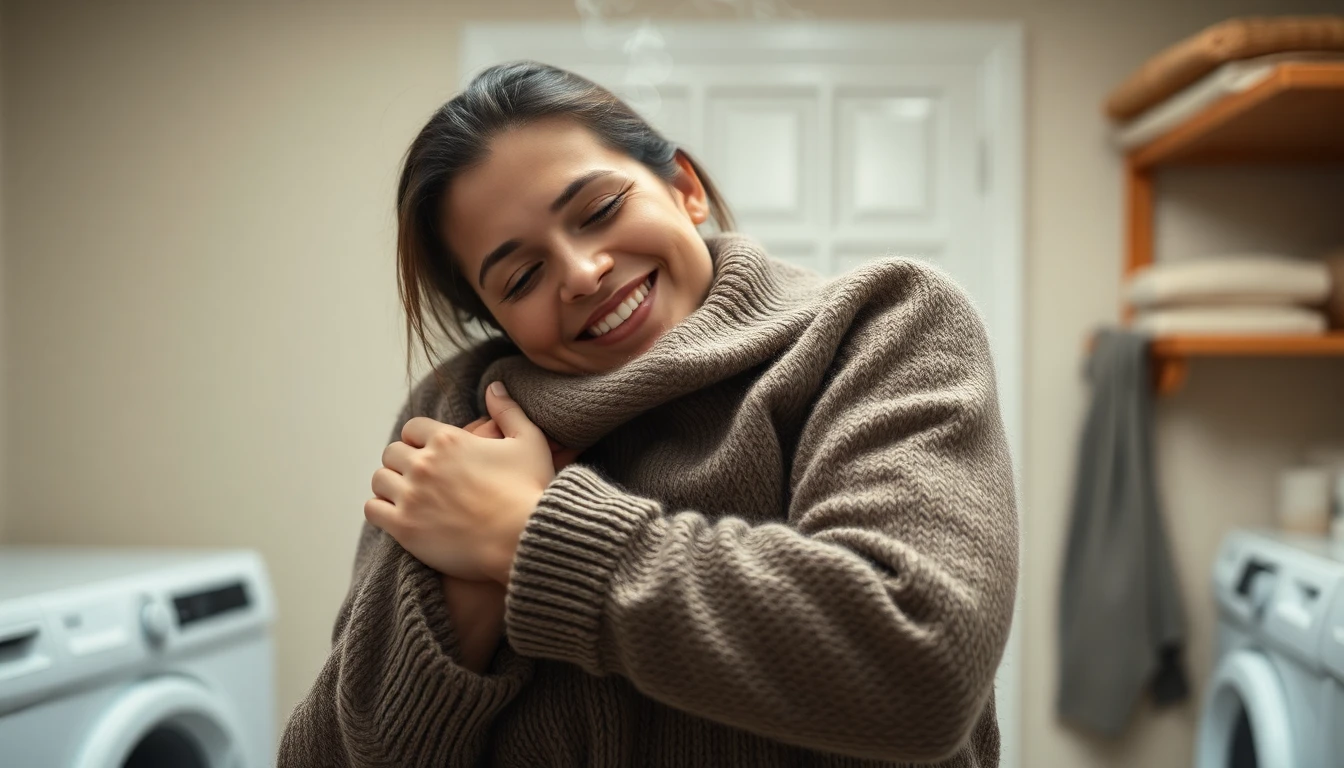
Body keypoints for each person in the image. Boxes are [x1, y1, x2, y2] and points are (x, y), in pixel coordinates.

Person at [279, 61, 1019, 768]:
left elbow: (923, 663)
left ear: (684, 188)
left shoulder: (881, 324)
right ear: (495, 316)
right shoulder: (457, 416)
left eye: (600, 211)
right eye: (522, 276)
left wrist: (526, 536)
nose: (582, 274)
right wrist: (463, 602)